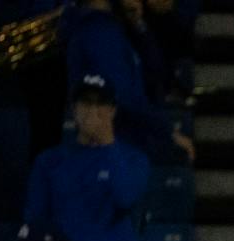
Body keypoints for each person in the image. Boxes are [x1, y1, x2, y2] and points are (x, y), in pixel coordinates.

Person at [25, 74, 149, 241]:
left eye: (101, 103)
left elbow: (125, 198)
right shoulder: (49, 161)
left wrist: (108, 144)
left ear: (112, 110)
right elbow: (35, 218)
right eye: (86, 102)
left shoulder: (133, 159)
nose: (93, 111)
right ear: (74, 109)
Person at [62, 0, 189, 160]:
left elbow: (157, 74)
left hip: (123, 147)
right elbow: (122, 94)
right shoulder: (98, 30)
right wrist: (167, 131)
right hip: (112, 151)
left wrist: (139, 25)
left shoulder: (114, 27)